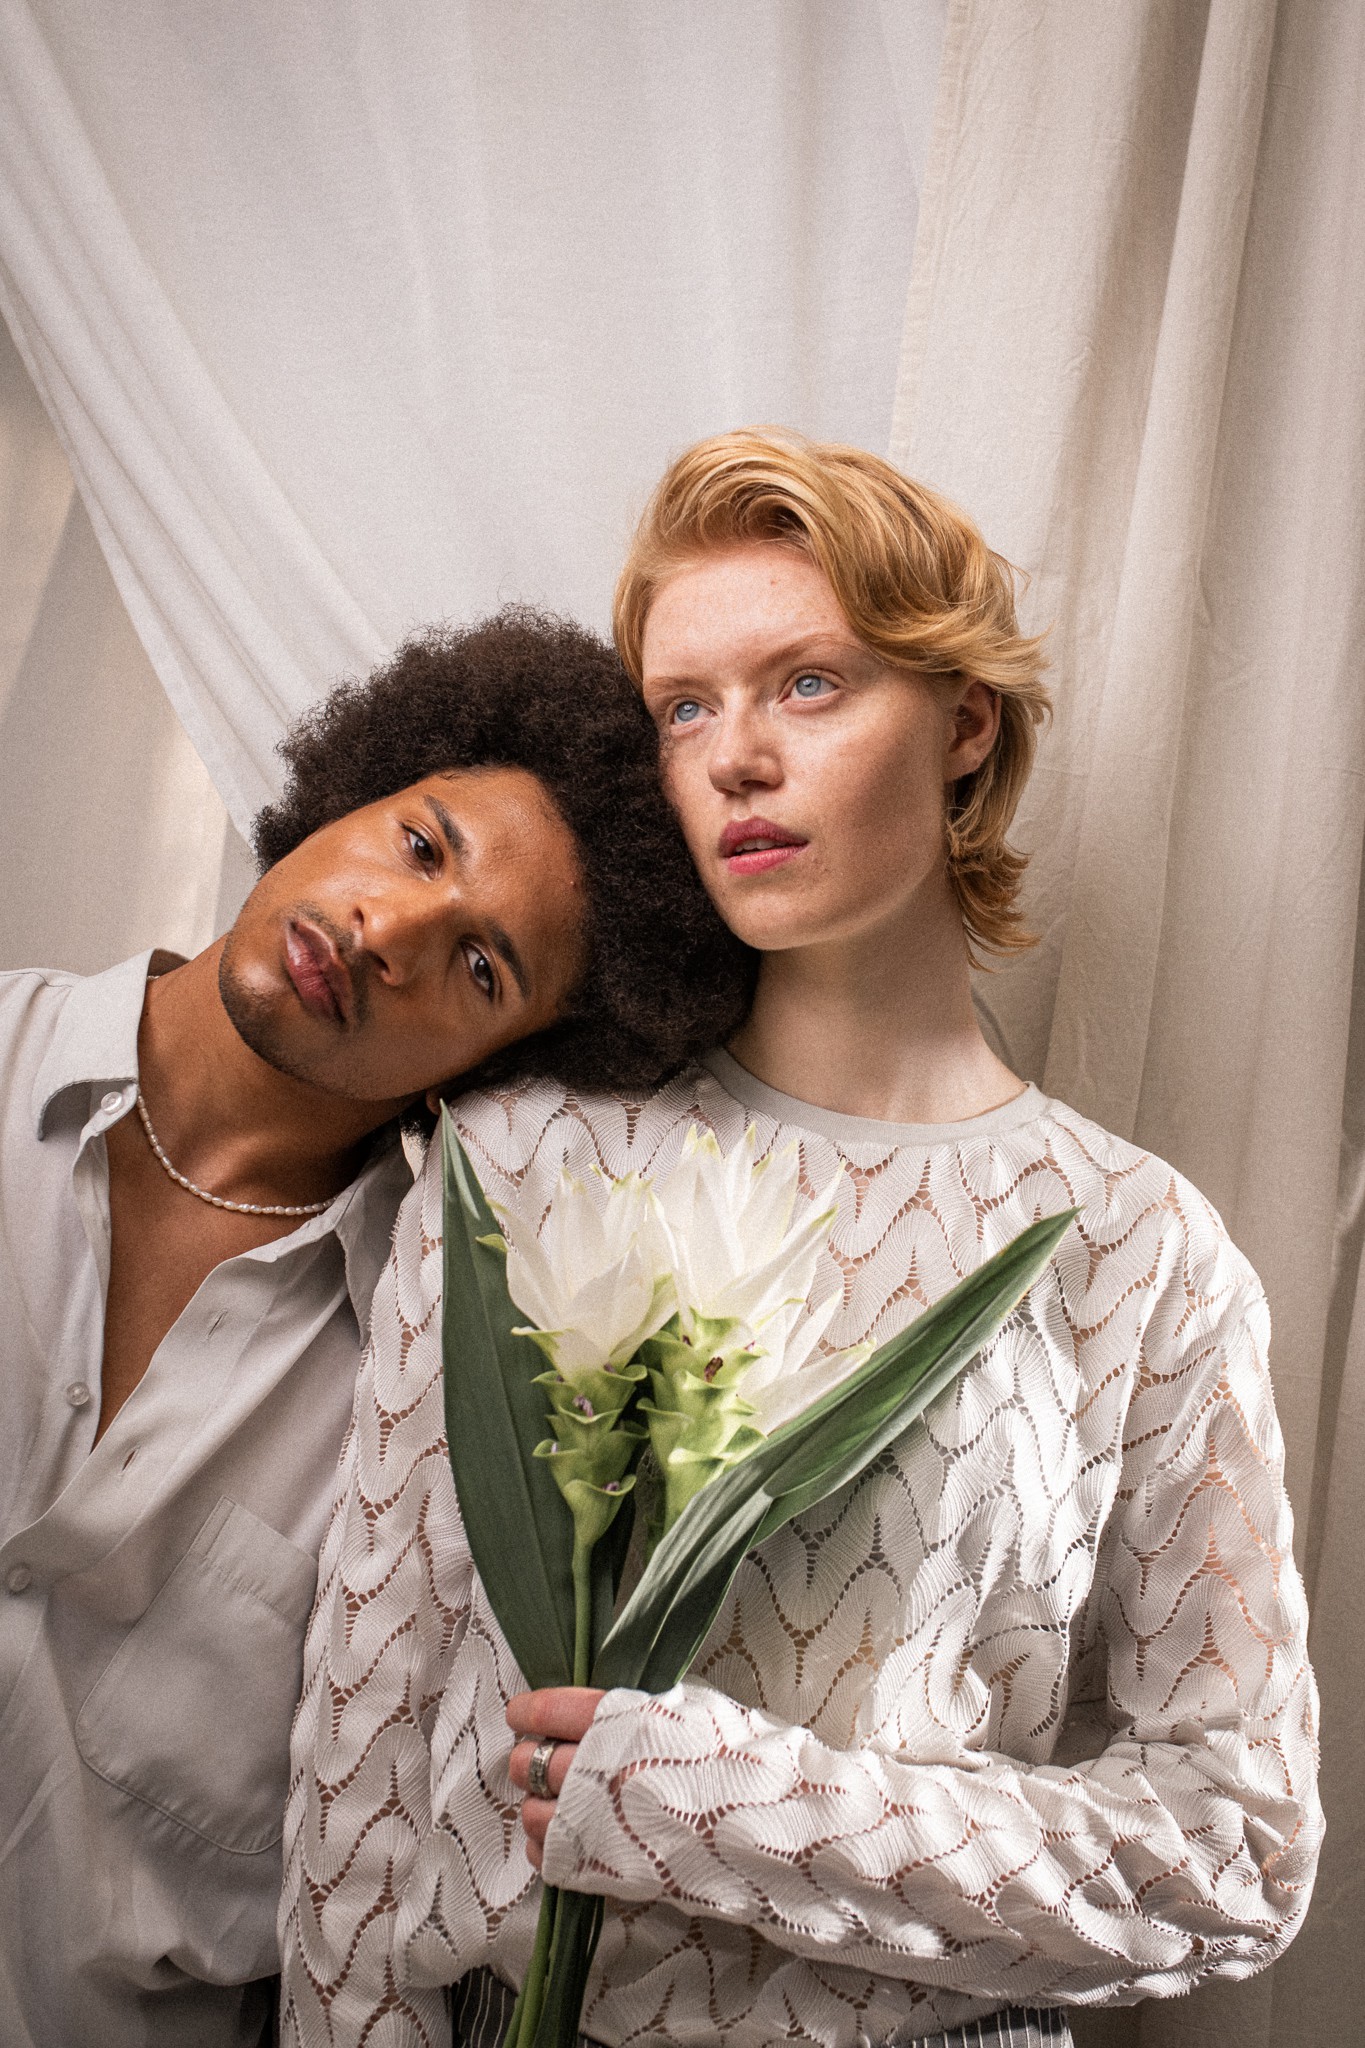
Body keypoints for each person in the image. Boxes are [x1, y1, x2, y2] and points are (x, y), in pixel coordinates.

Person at [280, 436, 1321, 2048]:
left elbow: (1235, 1853)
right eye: (683, 707)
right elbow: (366, 1751)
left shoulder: (1139, 1251)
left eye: (808, 686)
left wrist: (727, 1805)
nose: (735, 760)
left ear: (963, 722)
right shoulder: (525, 1153)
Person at [0, 607, 751, 2048]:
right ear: (352, 786)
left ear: (504, 1068)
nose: (390, 931)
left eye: (481, 970)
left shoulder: (435, 1422)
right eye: (418, 844)